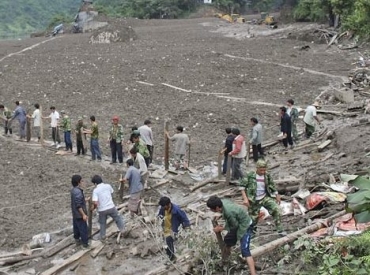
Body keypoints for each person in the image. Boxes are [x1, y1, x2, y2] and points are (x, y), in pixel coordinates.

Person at [206, 196, 256, 275]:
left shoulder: (229, 213)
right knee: (228, 240)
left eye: (212, 209)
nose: (211, 210)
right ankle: (227, 259)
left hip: (245, 226)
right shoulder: (223, 202)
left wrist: (221, 228)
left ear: (217, 207)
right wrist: (220, 215)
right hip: (237, 222)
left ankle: (253, 273)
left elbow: (234, 226)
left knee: (245, 250)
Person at [239, 160, 286, 236]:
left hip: (264, 197)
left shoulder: (266, 175)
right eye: (261, 170)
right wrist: (245, 199)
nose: (263, 172)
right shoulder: (250, 175)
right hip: (253, 200)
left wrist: (277, 195)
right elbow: (242, 187)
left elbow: (272, 185)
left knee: (276, 209)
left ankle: (280, 230)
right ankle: (252, 232)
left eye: (264, 170)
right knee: (253, 218)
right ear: (257, 168)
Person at [91, 175, 125, 241]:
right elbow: (112, 193)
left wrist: (94, 208)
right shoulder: (108, 186)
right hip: (111, 207)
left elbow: (95, 202)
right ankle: (123, 230)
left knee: (102, 223)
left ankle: (102, 236)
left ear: (95, 183)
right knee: (118, 218)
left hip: (102, 210)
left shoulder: (95, 190)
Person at [158, 196, 190, 262]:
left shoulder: (176, 210)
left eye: (164, 206)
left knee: (168, 241)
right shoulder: (163, 208)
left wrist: (187, 227)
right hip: (165, 229)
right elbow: (160, 216)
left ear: (169, 204)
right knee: (165, 245)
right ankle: (170, 256)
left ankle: (172, 258)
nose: (163, 208)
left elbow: (184, 218)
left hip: (173, 229)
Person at [70, 174, 89, 248]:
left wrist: (84, 200)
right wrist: (83, 214)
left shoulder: (73, 190)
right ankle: (85, 244)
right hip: (79, 214)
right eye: (82, 181)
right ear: (78, 182)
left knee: (76, 227)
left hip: (75, 213)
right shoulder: (78, 192)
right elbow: (78, 205)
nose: (83, 182)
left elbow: (76, 201)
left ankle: (77, 240)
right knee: (83, 229)